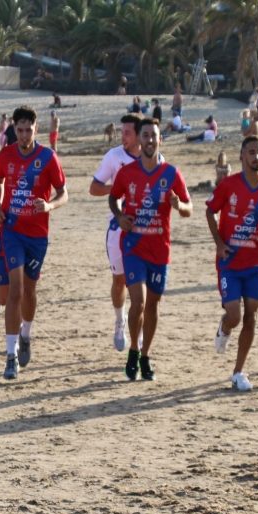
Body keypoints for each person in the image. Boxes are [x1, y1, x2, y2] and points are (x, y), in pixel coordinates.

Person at [109, 118, 193, 380]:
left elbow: (189, 208)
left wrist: (179, 205)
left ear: (160, 140)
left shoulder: (171, 174)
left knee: (154, 305)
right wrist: (120, 216)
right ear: (139, 139)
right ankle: (134, 350)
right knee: (139, 301)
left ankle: (145, 355)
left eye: (153, 136)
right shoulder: (127, 173)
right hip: (133, 246)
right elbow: (114, 197)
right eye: (144, 135)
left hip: (160, 249)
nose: (149, 140)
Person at [206, 135, 258, 391]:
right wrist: (219, 243)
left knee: (251, 316)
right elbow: (210, 210)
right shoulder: (229, 185)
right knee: (234, 315)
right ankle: (224, 327)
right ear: (242, 156)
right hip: (230, 261)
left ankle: (238, 372)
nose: (256, 157)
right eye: (251, 152)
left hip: (256, 263)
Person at [0, 105, 68, 379]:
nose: (24, 135)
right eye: (20, 130)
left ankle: (26, 334)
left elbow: (64, 193)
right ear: (14, 128)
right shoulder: (6, 155)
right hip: (12, 231)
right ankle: (10, 356)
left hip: (37, 235)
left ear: (36, 129)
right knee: (16, 290)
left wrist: (49, 206)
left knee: (30, 291)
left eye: (29, 130)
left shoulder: (48, 157)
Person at [89, 114, 142, 352]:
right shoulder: (114, 156)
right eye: (122, 131)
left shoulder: (154, 159)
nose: (123, 136)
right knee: (119, 280)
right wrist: (119, 187)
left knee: (140, 285)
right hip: (117, 227)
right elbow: (94, 188)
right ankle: (120, 321)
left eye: (128, 132)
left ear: (140, 135)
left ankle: (139, 335)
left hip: (144, 229)